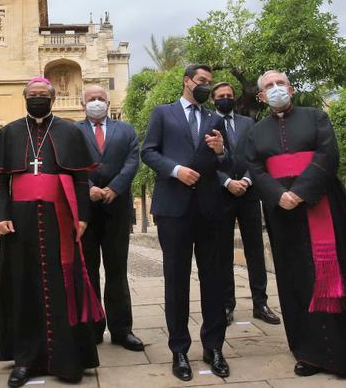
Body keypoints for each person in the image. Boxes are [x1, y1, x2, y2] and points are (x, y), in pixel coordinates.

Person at [246, 70, 346, 381]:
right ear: (261, 96)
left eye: (280, 83)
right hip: (283, 213)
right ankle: (311, 353)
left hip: (324, 203)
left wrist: (301, 192)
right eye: (269, 86)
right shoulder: (256, 133)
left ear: (292, 89)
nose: (276, 89)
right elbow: (255, 168)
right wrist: (279, 196)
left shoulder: (316, 117)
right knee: (298, 279)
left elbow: (327, 154)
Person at [0, 77, 103, 386]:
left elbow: (79, 179)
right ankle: (25, 360)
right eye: (32, 94)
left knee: (62, 285)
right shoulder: (9, 132)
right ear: (24, 97)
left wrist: (83, 218)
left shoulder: (69, 131)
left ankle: (67, 357)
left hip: (60, 217)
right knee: (23, 285)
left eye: (43, 94)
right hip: (20, 221)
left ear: (53, 98)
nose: (37, 98)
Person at [140, 64, 233, 381]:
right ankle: (179, 350)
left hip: (209, 209)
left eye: (209, 82)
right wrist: (176, 170)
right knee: (176, 280)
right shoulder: (162, 114)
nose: (206, 86)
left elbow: (228, 162)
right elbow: (148, 152)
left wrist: (221, 153)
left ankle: (214, 347)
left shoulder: (214, 118)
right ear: (187, 81)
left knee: (214, 280)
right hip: (173, 209)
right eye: (201, 81)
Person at [75, 84, 145, 351]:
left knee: (117, 271)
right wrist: (89, 187)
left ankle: (122, 330)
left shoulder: (125, 130)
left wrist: (115, 188)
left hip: (117, 209)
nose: (96, 102)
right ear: (83, 104)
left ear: (108, 102)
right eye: (91, 98)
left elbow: (132, 161)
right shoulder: (74, 131)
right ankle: (92, 329)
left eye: (101, 98)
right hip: (86, 212)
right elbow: (71, 165)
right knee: (89, 271)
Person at [210, 81, 280, 326]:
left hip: (249, 194)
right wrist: (228, 181)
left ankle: (260, 303)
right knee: (223, 252)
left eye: (229, 95)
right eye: (221, 96)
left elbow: (256, 156)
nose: (226, 98)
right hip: (222, 194)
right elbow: (206, 161)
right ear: (213, 99)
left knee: (255, 249)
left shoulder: (247, 123)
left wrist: (249, 180)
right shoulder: (207, 123)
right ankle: (227, 305)